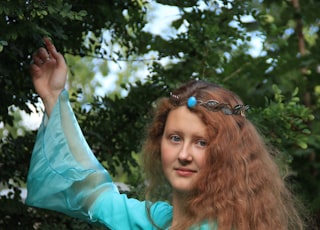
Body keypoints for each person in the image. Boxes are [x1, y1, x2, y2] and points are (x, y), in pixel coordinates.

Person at [26, 38, 304, 230]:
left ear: (227, 153)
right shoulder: (157, 221)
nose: (184, 155)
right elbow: (91, 191)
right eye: (175, 138)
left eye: (201, 142)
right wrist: (53, 97)